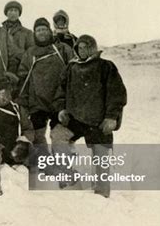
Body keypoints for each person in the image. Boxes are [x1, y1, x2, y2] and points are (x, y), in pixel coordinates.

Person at [52, 35, 127, 198]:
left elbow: (117, 94)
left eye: (86, 47)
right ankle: (68, 179)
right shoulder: (71, 68)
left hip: (99, 121)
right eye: (79, 48)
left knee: (101, 157)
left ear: (93, 48)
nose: (82, 50)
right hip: (75, 119)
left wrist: (111, 117)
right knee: (58, 135)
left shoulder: (105, 66)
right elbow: (60, 92)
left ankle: (102, 195)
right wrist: (61, 110)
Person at [17, 17, 74, 147]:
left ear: (49, 31)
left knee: (60, 136)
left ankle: (63, 165)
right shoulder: (30, 53)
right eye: (38, 30)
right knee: (37, 136)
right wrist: (22, 99)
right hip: (37, 101)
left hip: (59, 100)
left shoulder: (62, 49)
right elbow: (23, 76)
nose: (41, 32)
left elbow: (73, 70)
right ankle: (44, 164)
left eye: (44, 29)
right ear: (34, 34)